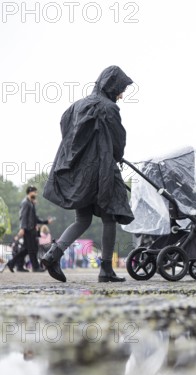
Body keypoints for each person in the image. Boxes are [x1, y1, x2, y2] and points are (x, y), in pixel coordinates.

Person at [42, 65, 134, 283]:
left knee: (82, 219)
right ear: (112, 86)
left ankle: (52, 254)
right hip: (102, 171)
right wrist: (116, 155)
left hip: (80, 173)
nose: (121, 94)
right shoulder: (109, 108)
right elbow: (118, 140)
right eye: (121, 89)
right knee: (109, 217)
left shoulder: (76, 106)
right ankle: (106, 270)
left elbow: (66, 129)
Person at [4, 186, 53, 273]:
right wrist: (22, 228)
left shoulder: (31, 203)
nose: (36, 194)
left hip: (32, 229)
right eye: (35, 192)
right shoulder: (25, 203)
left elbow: (35, 218)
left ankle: (14, 264)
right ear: (30, 192)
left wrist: (45, 222)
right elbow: (23, 216)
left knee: (26, 249)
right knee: (32, 249)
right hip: (28, 230)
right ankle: (35, 267)